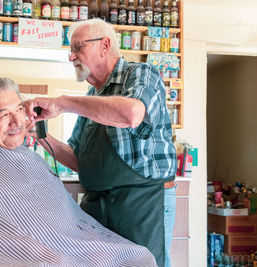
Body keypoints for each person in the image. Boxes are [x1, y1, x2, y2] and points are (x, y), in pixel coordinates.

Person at [0, 76, 157, 267]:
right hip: (28, 252)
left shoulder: (30, 159)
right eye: (3, 114)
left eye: (18, 109)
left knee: (137, 256)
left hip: (68, 241)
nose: (17, 122)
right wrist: (41, 247)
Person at [24, 19, 177, 267]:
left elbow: (130, 114)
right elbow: (77, 159)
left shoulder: (140, 74)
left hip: (141, 203)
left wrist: (62, 103)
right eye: (70, 50)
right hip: (100, 205)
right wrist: (39, 134)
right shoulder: (93, 96)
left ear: (105, 45)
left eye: (77, 48)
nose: (71, 56)